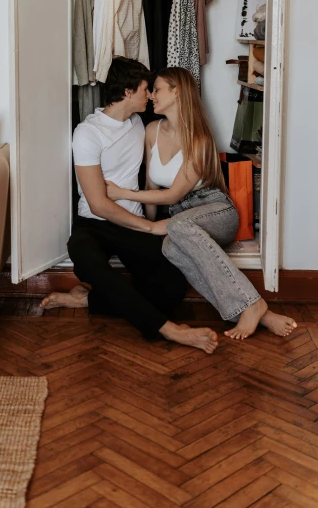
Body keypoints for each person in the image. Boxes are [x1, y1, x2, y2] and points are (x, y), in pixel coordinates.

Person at [40, 57, 220, 354]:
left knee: (172, 286)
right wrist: (150, 227)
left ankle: (87, 300)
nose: (150, 95)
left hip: (132, 223)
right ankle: (169, 330)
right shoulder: (88, 133)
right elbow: (98, 204)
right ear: (127, 91)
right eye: (146, 89)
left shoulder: (138, 124)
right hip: (96, 224)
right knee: (85, 258)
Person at [104, 66, 297, 340]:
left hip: (215, 210)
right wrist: (149, 225)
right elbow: (151, 187)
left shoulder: (200, 139)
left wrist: (124, 194)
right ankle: (258, 312)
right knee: (171, 246)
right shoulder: (151, 131)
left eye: (156, 89)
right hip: (181, 218)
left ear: (176, 91)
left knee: (177, 228)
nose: (151, 96)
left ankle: (252, 305)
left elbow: (171, 195)